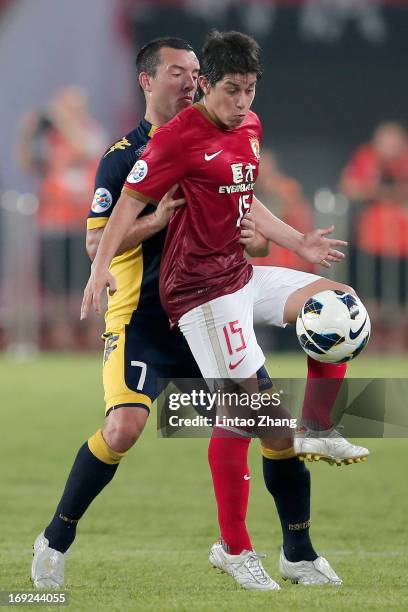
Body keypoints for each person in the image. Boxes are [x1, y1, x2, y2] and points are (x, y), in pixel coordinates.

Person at [82, 31, 369, 588]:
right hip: (198, 294)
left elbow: (245, 195)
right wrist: (98, 272)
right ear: (206, 85)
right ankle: (235, 549)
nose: (243, 102)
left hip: (238, 275)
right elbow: (127, 207)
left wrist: (299, 243)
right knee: (249, 415)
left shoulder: (251, 126)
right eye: (232, 90)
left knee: (339, 302)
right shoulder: (176, 138)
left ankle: (319, 424)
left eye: (251, 90)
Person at [30, 37, 276, 592]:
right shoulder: (122, 155)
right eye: (175, 72)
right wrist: (155, 220)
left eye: (194, 72)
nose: (189, 80)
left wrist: (265, 239)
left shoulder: (221, 132)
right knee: (124, 426)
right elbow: (98, 243)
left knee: (267, 421)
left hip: (208, 305)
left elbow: (246, 202)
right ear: (146, 81)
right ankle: (55, 538)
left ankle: (283, 551)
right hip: (143, 316)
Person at [16, 86, 108, 348]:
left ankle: (96, 341)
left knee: (91, 285)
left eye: (73, 107)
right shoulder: (50, 139)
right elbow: (25, 162)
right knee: (57, 289)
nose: (67, 113)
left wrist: (61, 118)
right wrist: (27, 132)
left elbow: (86, 149)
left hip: (86, 224)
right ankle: (62, 342)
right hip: (54, 222)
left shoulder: (93, 132)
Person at [340, 121, 408, 318]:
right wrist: (385, 192)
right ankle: (370, 338)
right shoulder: (365, 157)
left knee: (401, 301)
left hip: (402, 244)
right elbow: (350, 186)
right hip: (370, 244)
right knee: (370, 297)